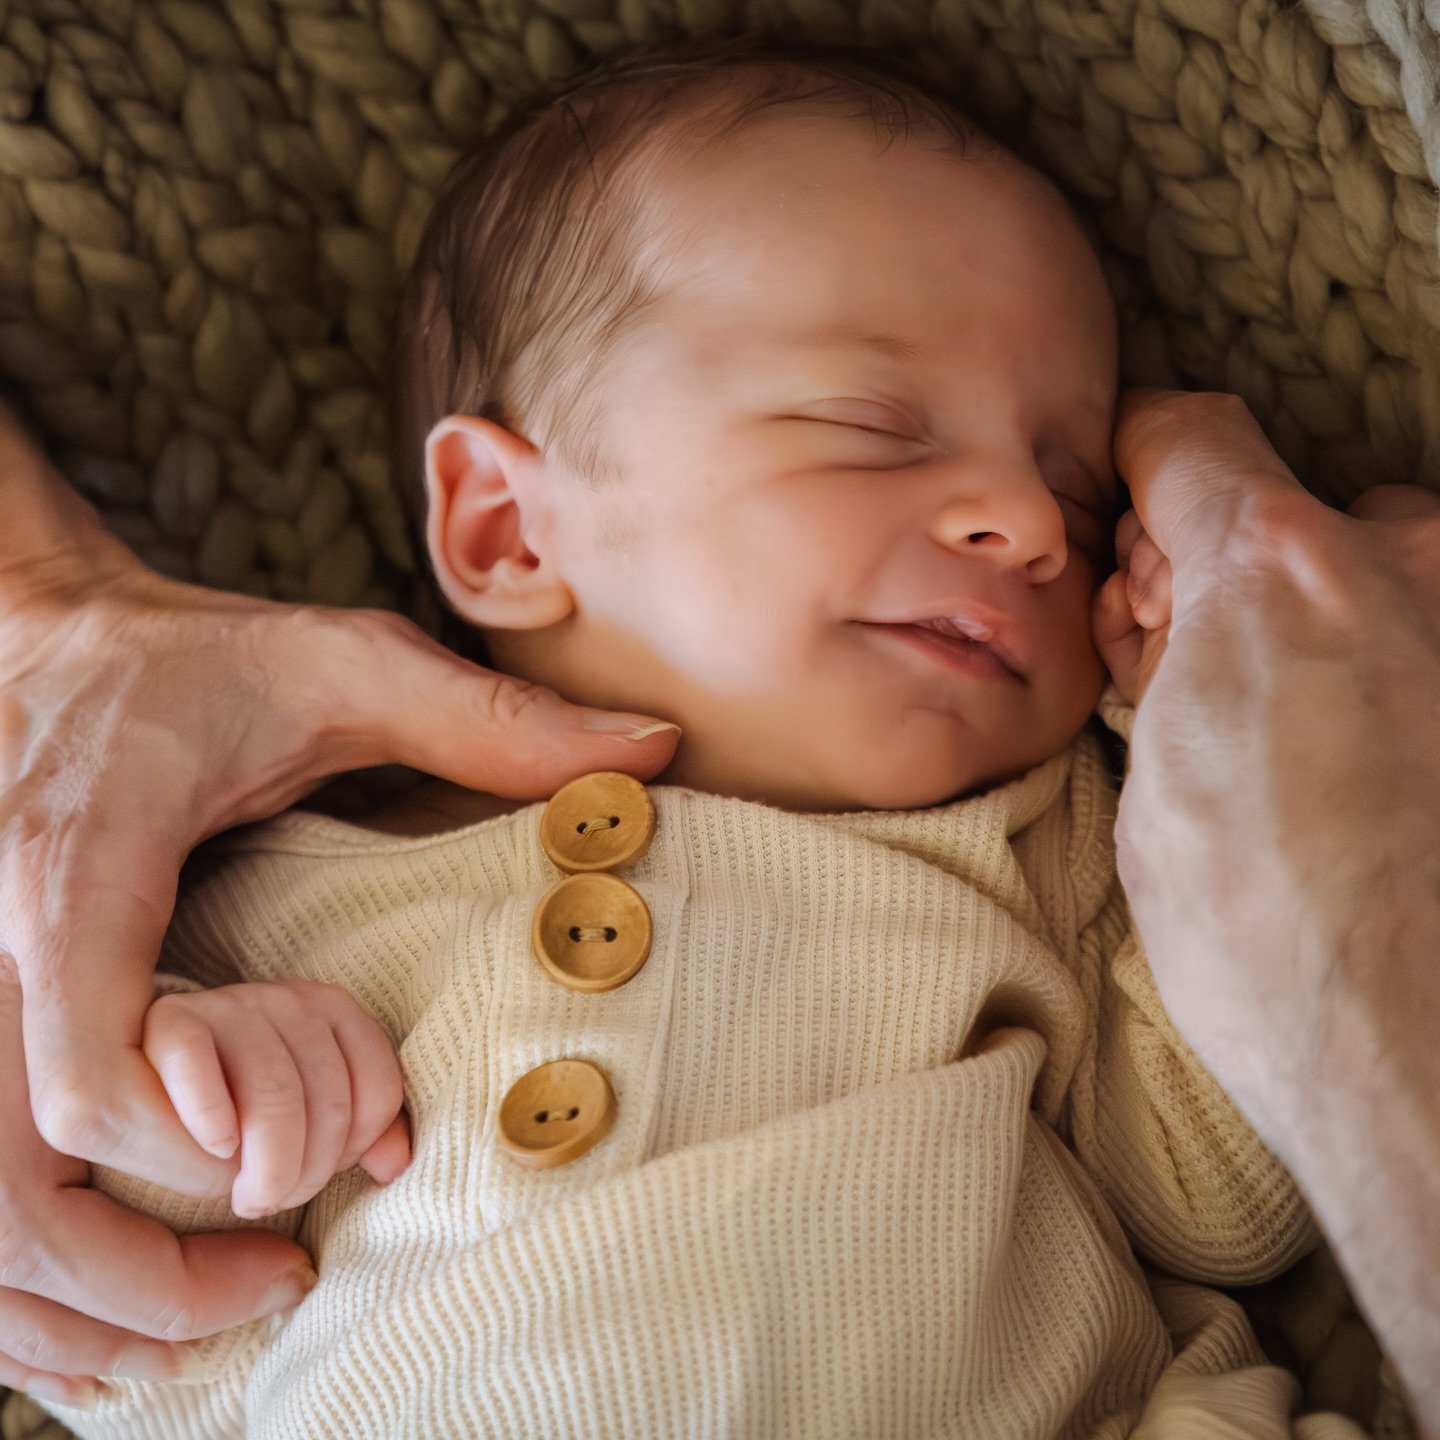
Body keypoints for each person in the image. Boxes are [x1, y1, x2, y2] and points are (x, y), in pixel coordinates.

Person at [0, 38, 1433, 1439]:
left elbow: (1214, 1193)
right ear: (506, 530)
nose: (1029, 523)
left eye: (1072, 478)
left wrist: (1186, 716)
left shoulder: (1052, 857)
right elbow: (134, 1335)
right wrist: (219, 1106)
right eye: (874, 426)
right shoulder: (288, 890)